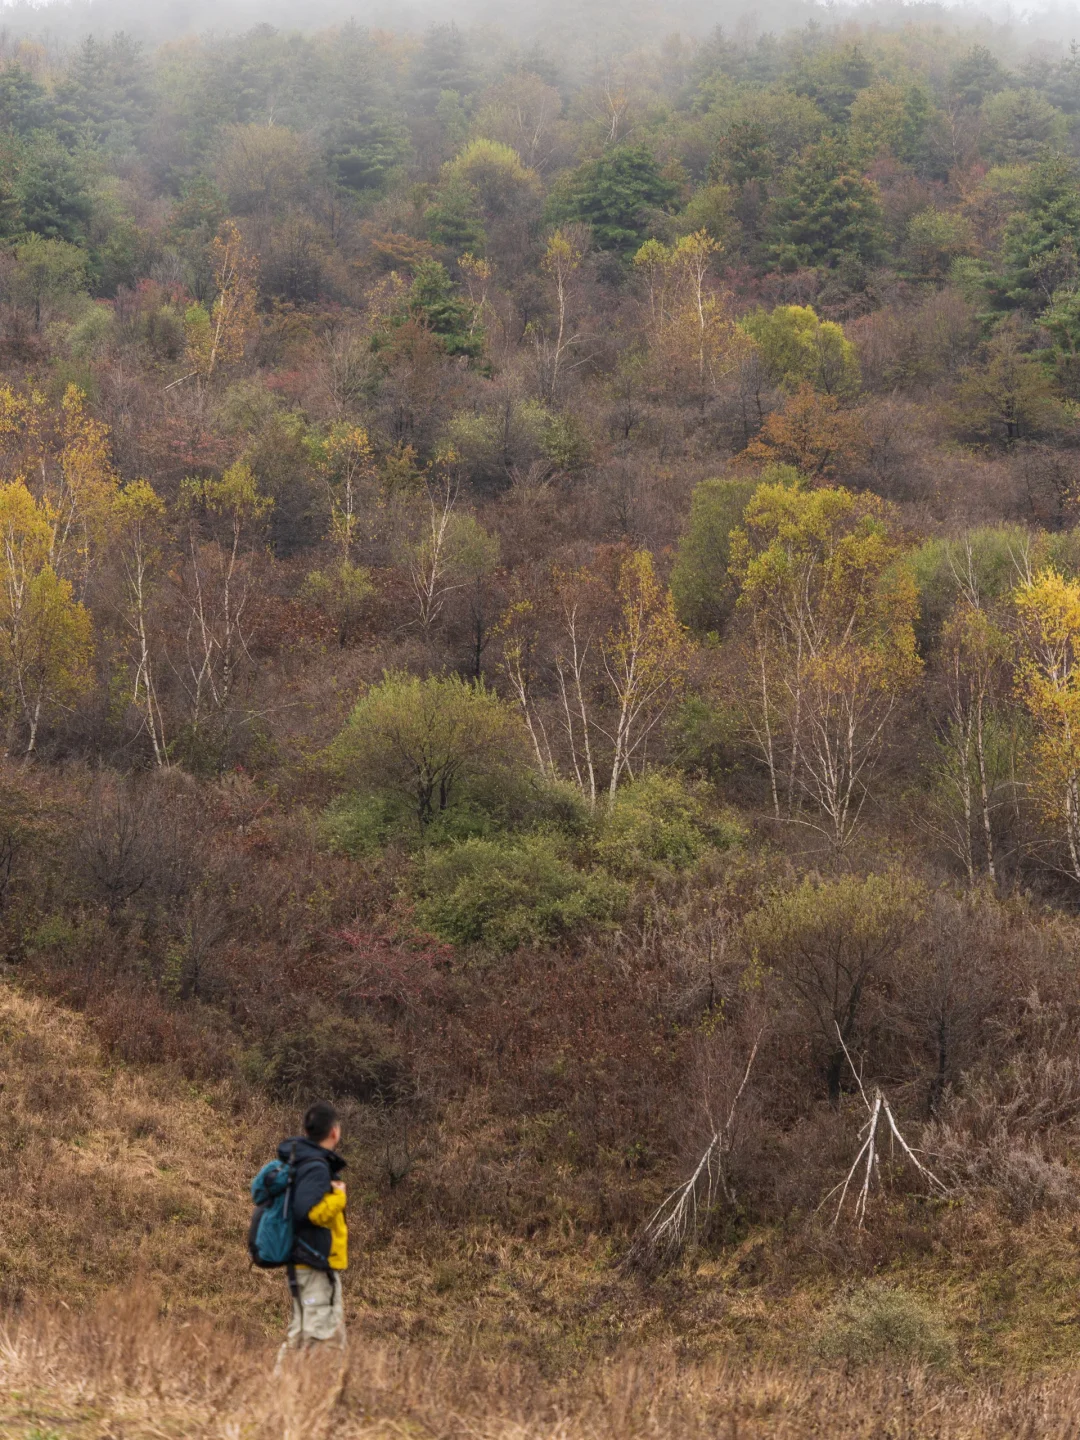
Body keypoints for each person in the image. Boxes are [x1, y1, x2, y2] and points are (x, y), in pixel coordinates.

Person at [279, 1099, 348, 1351]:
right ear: (334, 1132)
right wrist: (339, 1196)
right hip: (315, 1261)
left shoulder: (301, 1161)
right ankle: (320, 1389)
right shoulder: (317, 1167)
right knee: (323, 1340)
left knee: (299, 1336)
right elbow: (307, 1212)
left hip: (303, 1260)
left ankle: (277, 1387)